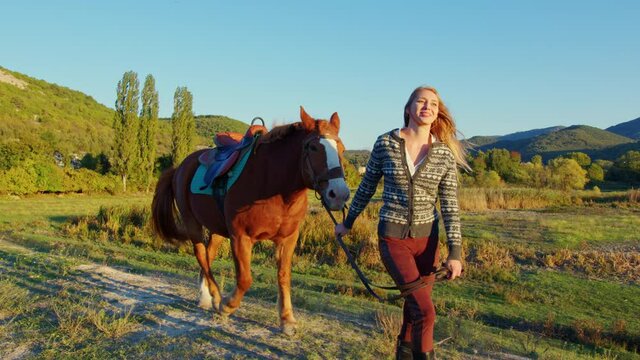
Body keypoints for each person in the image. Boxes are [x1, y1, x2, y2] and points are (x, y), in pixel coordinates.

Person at [335, 86, 468, 360]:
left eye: (433, 103)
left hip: (427, 241)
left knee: (413, 310)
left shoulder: (443, 154)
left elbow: (450, 207)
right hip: (393, 239)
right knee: (426, 311)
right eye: (421, 101)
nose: (427, 107)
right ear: (408, 108)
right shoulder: (385, 143)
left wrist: (455, 253)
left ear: (437, 113)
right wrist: (347, 222)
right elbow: (367, 187)